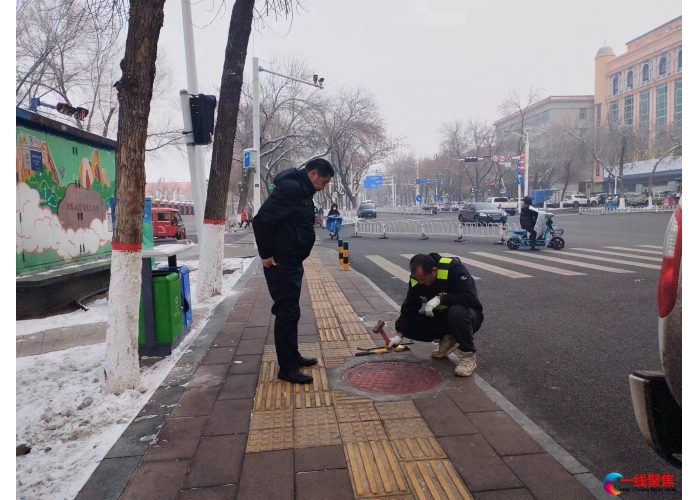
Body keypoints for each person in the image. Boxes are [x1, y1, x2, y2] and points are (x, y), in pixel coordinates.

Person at [253, 159, 335, 384]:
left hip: (291, 261)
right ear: (314, 174)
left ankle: (293, 356)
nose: (324, 186)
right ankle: (287, 368)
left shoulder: (301, 190)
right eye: (324, 182)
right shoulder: (291, 189)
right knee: (286, 313)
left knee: (292, 312)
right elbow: (261, 221)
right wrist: (266, 254)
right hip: (281, 263)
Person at [388, 253, 483, 377]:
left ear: (434, 271)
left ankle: (468, 357)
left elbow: (470, 297)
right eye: (418, 279)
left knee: (457, 312)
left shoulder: (453, 269)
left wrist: (441, 299)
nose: (421, 283)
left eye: (423, 279)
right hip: (442, 317)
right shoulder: (416, 280)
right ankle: (448, 339)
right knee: (404, 324)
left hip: (468, 317)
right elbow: (409, 308)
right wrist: (399, 336)